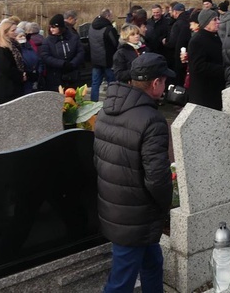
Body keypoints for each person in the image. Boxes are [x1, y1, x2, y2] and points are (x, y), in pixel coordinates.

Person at [94, 53, 174, 293]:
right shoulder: (152, 120)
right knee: (121, 280)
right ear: (155, 83)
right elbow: (157, 177)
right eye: (164, 81)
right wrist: (166, 208)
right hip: (136, 213)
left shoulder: (106, 110)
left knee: (152, 262)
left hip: (115, 204)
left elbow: (98, 158)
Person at [187, 8, 225, 110]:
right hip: (204, 92)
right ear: (206, 23)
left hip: (215, 88)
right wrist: (222, 69)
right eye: (215, 20)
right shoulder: (198, 40)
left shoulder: (214, 37)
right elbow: (198, 66)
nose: (218, 22)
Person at [39, 14, 85, 91]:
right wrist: (62, 64)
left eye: (54, 27)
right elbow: (45, 56)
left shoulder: (73, 38)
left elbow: (80, 52)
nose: (51, 29)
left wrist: (73, 63)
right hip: (55, 76)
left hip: (72, 75)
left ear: (60, 27)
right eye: (50, 27)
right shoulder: (47, 41)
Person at [0, 19, 26, 104]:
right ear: (5, 32)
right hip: (6, 86)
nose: (15, 32)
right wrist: (20, 76)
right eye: (13, 30)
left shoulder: (14, 45)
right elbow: (6, 68)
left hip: (15, 84)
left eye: (15, 29)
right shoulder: (2, 49)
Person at [89, 9, 119, 101]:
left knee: (95, 84)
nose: (112, 18)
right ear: (107, 16)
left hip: (95, 60)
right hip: (108, 61)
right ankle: (112, 102)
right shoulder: (109, 29)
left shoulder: (91, 27)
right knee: (112, 83)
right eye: (111, 16)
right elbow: (115, 44)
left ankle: (93, 104)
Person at [166, 3, 192, 84]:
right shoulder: (190, 20)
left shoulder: (177, 24)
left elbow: (172, 42)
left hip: (178, 56)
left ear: (175, 12)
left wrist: (165, 42)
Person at [16, 28, 41, 95]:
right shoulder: (16, 50)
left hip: (33, 76)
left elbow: (38, 59)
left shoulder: (29, 47)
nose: (23, 38)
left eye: (24, 36)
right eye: (20, 36)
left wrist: (38, 71)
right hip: (24, 78)